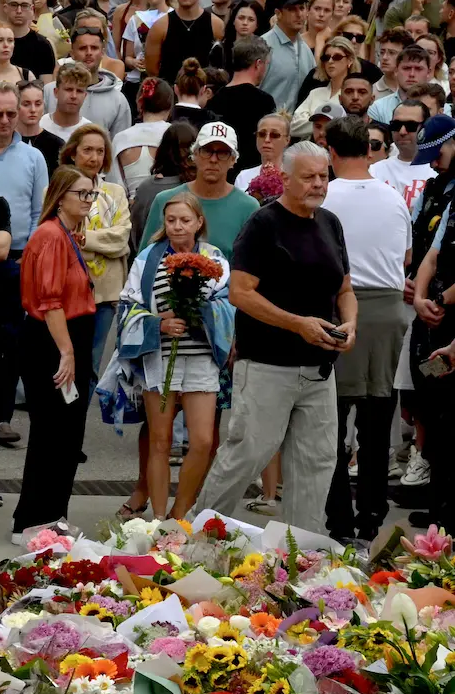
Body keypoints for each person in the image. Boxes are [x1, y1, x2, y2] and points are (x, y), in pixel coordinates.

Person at [188, 141, 352, 536]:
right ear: (284, 178)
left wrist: (350, 324)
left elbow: (345, 289)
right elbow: (240, 293)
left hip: (319, 370)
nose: (318, 184)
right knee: (246, 455)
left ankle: (300, 559)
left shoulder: (330, 223)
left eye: (323, 176)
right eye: (308, 176)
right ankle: (196, 539)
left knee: (316, 464)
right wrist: (298, 323)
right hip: (266, 365)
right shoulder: (263, 224)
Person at [320, 113, 413, 545]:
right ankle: (371, 512)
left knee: (331, 421)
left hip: (341, 306)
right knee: (377, 419)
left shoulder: (325, 197)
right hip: (388, 309)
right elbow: (407, 255)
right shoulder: (393, 196)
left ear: (331, 152)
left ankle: (339, 516)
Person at [116, 186, 234, 520]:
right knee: (160, 440)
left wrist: (203, 315)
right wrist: (158, 324)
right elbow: (127, 307)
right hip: (160, 357)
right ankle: (156, 518)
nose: (178, 226)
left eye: (185, 220)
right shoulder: (148, 258)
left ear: (199, 222)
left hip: (201, 358)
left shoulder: (215, 260)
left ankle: (180, 512)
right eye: (171, 220)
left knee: (201, 440)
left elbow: (229, 305)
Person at [9, 166, 103, 548]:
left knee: (65, 435)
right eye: (82, 193)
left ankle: (51, 516)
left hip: (67, 335)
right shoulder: (50, 235)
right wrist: (67, 352)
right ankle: (34, 520)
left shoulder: (64, 235)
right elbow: (49, 303)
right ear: (60, 195)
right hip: (55, 339)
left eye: (90, 194)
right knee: (53, 433)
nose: (87, 200)